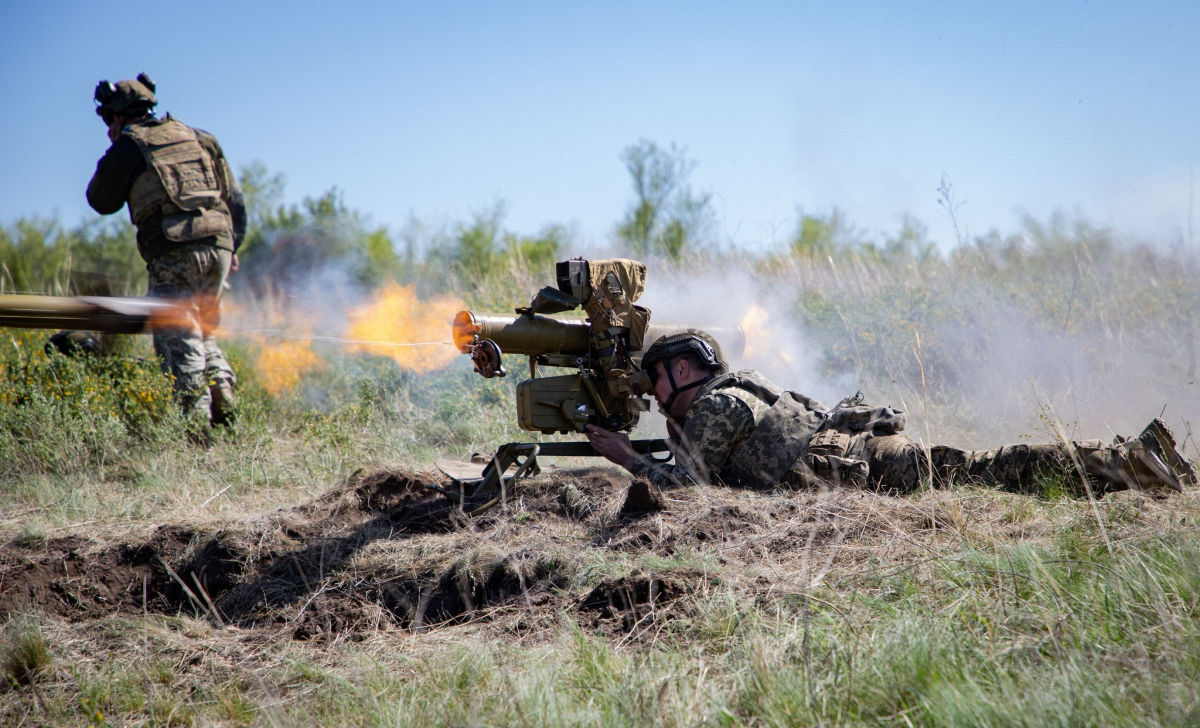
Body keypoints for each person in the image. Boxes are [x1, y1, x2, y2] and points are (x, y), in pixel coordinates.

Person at [586, 329, 1198, 496]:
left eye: (657, 377)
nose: (654, 390)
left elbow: (690, 487)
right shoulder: (745, 388)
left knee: (993, 468)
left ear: (684, 370)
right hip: (862, 460)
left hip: (867, 470)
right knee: (984, 467)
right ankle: (1136, 459)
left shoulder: (716, 403)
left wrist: (625, 458)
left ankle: (1133, 463)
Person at [86, 73, 245, 426]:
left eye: (108, 122)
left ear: (117, 116)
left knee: (176, 333)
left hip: (175, 247)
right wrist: (232, 249)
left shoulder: (130, 145)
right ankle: (221, 388)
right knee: (202, 328)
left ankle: (195, 428)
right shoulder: (199, 137)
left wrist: (117, 149)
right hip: (219, 245)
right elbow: (235, 200)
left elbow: (100, 199)